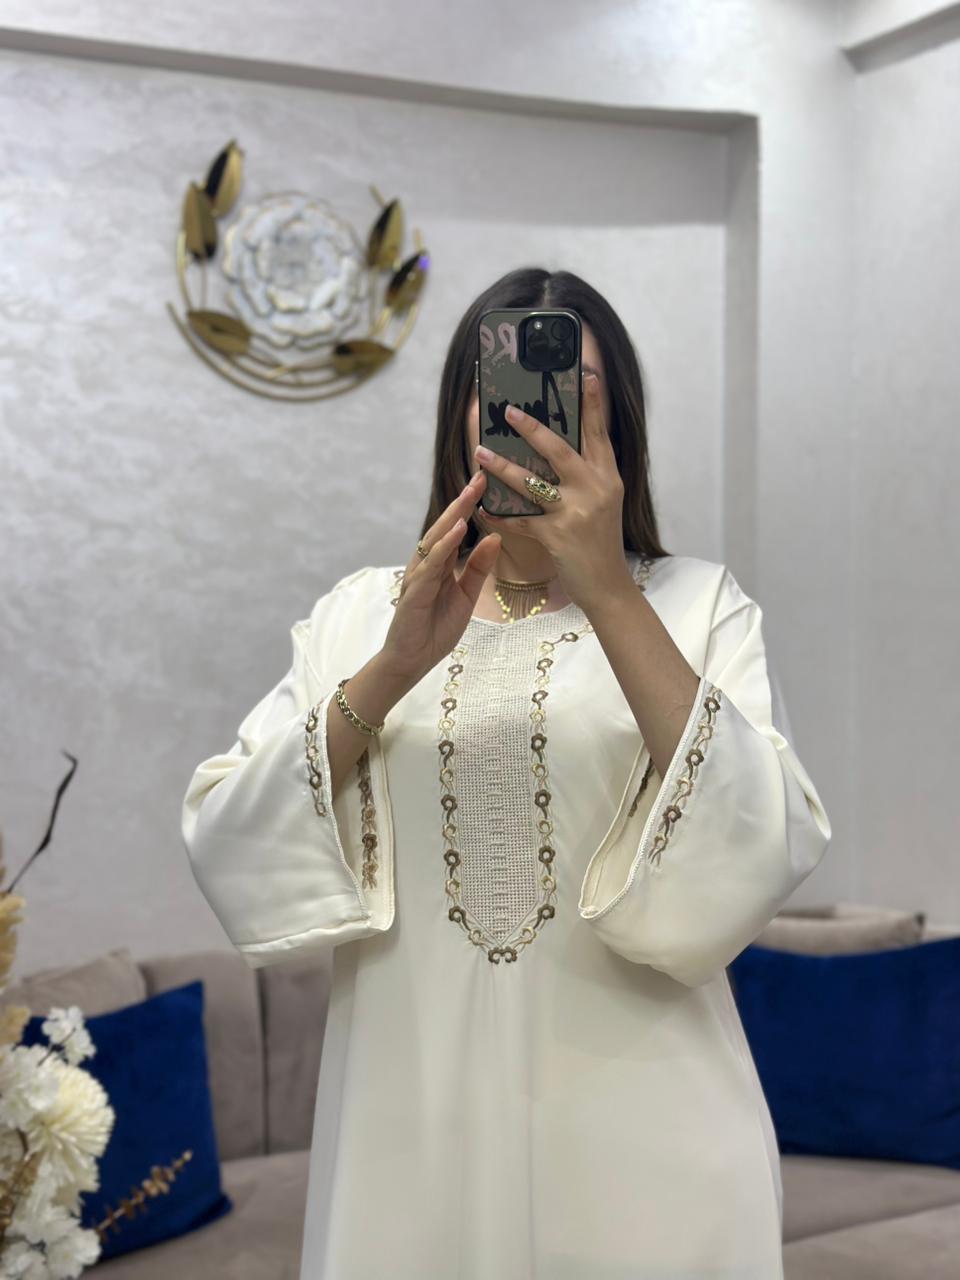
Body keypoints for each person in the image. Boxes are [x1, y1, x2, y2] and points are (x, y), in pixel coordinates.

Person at [181, 267, 831, 1279]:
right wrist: (394, 666)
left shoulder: (701, 606)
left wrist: (607, 585)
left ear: (617, 424)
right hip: (407, 1134)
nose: (534, 422)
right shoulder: (362, 616)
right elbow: (227, 834)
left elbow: (765, 839)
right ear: (462, 415)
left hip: (652, 1143)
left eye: (570, 394)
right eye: (505, 398)